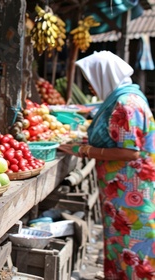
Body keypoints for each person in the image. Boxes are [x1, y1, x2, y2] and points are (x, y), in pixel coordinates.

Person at [58, 51, 155, 279]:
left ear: (104, 76)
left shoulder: (125, 104)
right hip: (123, 188)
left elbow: (129, 152)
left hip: (131, 189)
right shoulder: (125, 97)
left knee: (132, 241)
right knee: (122, 240)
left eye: (92, 80)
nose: (91, 87)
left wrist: (85, 150)